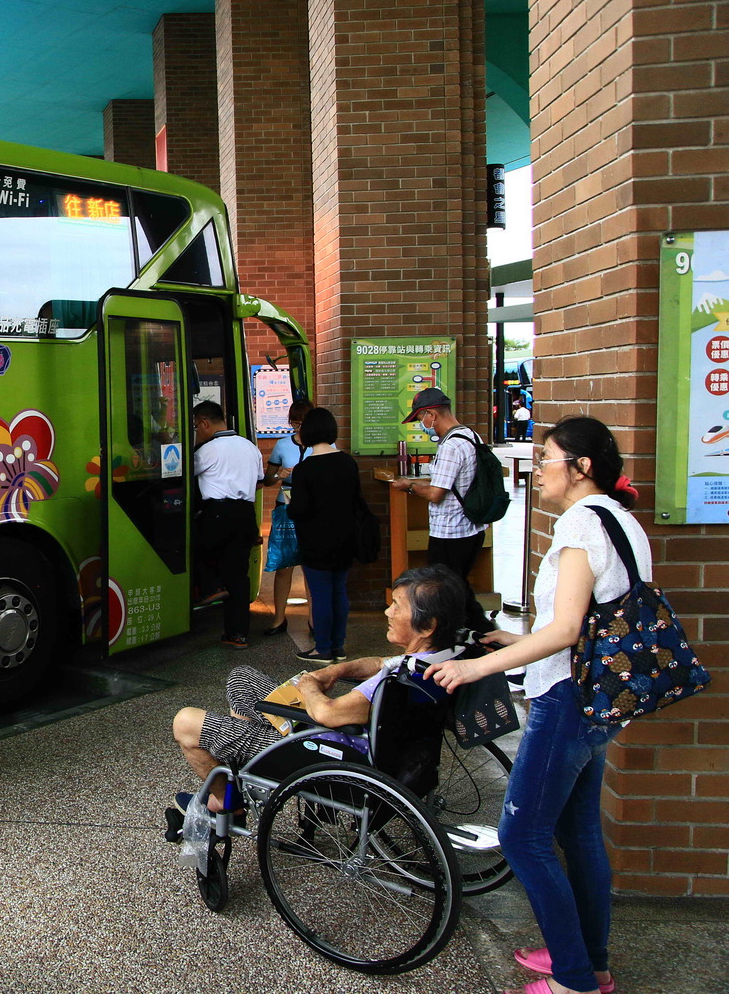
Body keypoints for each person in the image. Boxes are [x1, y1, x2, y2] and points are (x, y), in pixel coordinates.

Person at [427, 416, 645, 994]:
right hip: (600, 699)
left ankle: (574, 979)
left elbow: (567, 628)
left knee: (523, 838)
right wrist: (516, 642)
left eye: (547, 459)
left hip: (566, 699)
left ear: (582, 468)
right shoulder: (623, 522)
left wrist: (476, 665)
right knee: (578, 835)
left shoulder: (580, 526)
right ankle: (590, 963)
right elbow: (590, 620)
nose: (537, 469)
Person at [172, 565, 468, 812]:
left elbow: (328, 713)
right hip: (369, 745)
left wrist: (312, 684)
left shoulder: (395, 686)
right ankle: (248, 767)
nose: (388, 612)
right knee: (241, 677)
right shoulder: (437, 660)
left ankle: (227, 800)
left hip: (330, 754)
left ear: (427, 625)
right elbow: (380, 661)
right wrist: (335, 670)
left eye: (396, 607)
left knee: (185, 722)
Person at [392, 387, 496, 634]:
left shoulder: (450, 446)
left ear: (431, 414)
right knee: (457, 586)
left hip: (451, 532)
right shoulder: (471, 436)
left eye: (420, 419)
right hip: (471, 527)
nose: (421, 425)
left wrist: (410, 486)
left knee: (445, 590)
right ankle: (479, 634)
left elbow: (437, 493)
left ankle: (475, 634)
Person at [286, 406, 360, 662]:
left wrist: (289, 504)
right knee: (339, 590)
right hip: (346, 538)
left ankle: (323, 649)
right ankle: (338, 646)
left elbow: (299, 510)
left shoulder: (305, 469)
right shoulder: (348, 462)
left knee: (320, 594)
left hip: (316, 540)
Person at [189, 401, 262, 649]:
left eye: (196, 425)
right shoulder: (250, 447)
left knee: (189, 547)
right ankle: (237, 634)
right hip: (245, 515)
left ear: (205, 423)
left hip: (218, 513)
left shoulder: (208, 450)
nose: (196, 431)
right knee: (238, 576)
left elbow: (184, 473)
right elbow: (260, 481)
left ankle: (211, 586)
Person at [260, 398, 314, 635]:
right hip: (287, 507)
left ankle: (315, 620)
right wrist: (279, 474)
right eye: (294, 422)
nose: (299, 427)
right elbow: (267, 480)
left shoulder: (323, 445)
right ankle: (278, 619)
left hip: (314, 509)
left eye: (303, 421)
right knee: (284, 565)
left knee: (313, 565)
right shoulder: (282, 445)